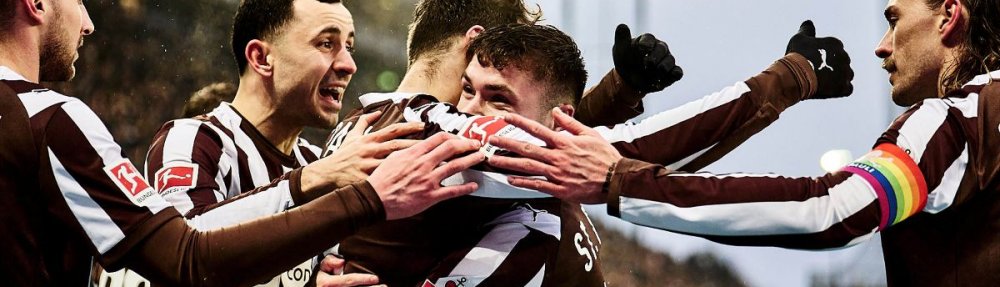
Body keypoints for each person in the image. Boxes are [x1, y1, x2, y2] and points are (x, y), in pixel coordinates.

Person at [487, 1, 1000, 285]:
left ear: (950, 13)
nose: (881, 45)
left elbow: (836, 209)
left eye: (893, 18)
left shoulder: (959, 119)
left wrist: (617, 180)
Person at [325, 19, 854, 286]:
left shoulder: (373, 123)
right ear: (474, 39)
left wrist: (615, 95)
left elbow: (610, 162)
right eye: (472, 90)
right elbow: (618, 160)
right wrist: (790, 78)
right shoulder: (419, 124)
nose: (475, 109)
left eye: (496, 97)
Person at [0, 0, 483, 285]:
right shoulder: (194, 139)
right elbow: (185, 256)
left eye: (350, 46)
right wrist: (328, 189)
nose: (348, 65)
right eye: (326, 43)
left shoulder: (326, 158)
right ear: (262, 58)